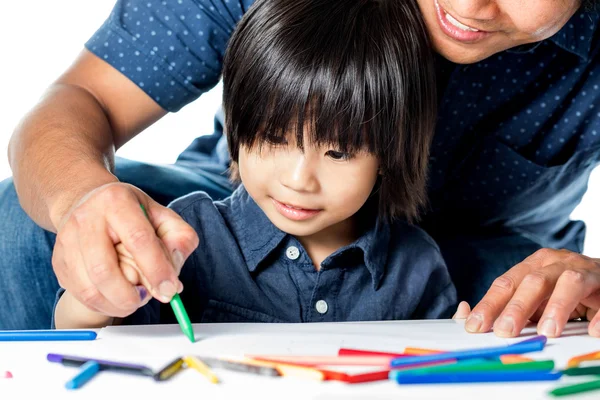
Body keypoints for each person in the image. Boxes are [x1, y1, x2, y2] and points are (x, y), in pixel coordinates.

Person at [2, 0, 600, 337]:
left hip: (494, 267)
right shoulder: (230, 212)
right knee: (31, 221)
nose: (469, 5)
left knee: (549, 324)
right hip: (236, 205)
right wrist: (82, 204)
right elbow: (82, 101)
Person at [54, 0, 456, 329]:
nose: (299, 180)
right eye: (274, 139)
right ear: (237, 125)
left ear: (388, 156)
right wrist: (97, 294)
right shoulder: (191, 237)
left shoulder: (417, 267)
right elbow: (83, 334)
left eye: (338, 153)